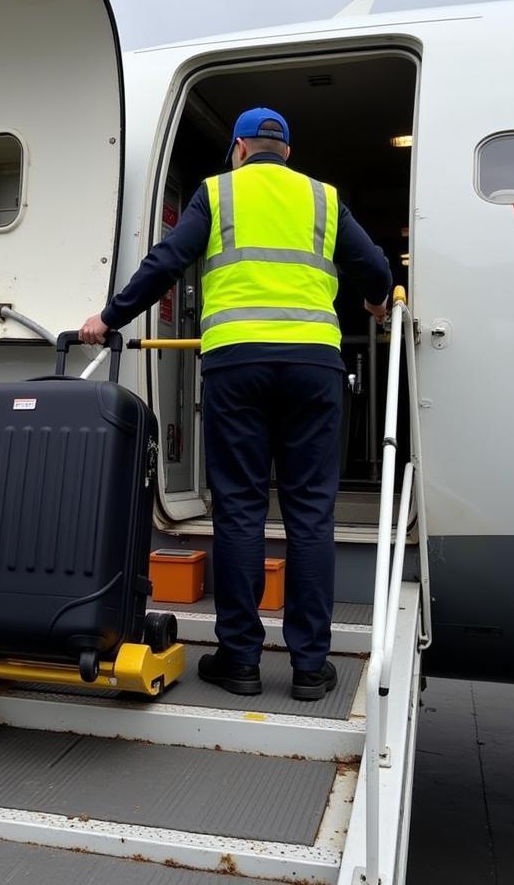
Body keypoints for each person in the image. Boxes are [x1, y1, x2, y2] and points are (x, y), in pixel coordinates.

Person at [80, 107, 391, 700]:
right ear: (288, 153)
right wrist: (377, 305)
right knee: (309, 514)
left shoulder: (217, 193)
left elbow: (166, 263)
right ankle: (308, 667)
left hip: (236, 366)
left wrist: (110, 317)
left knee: (241, 509)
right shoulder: (323, 198)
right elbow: (373, 267)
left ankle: (241, 661)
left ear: (240, 149)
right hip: (314, 368)